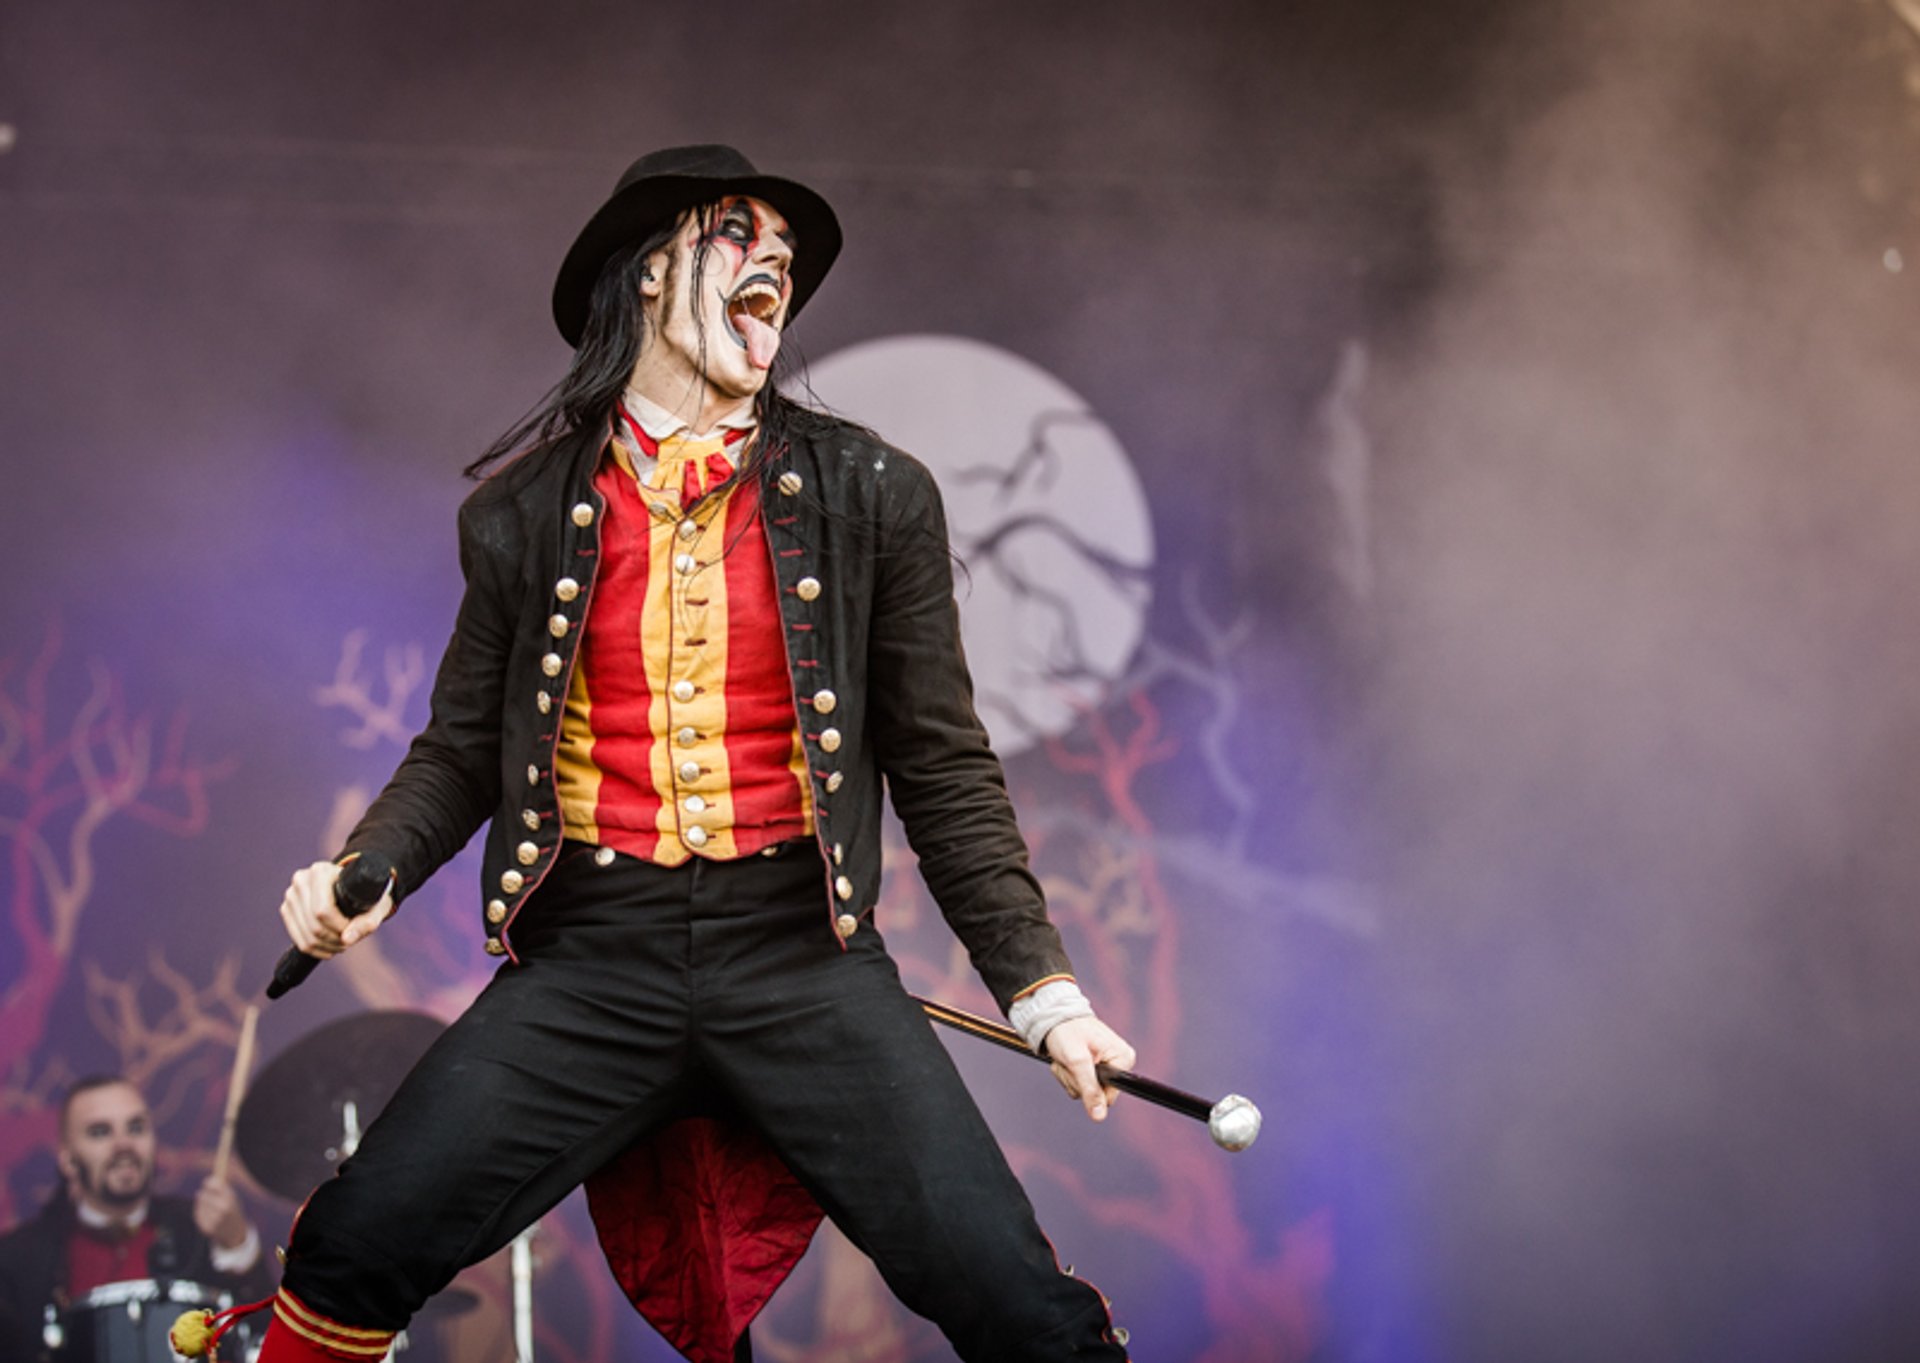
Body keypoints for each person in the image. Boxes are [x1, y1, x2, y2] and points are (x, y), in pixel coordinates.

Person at [256, 144, 1137, 1363]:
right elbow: (461, 751)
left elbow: (943, 768)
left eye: (787, 259)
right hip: (591, 963)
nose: (774, 265)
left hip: (799, 959)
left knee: (1014, 1298)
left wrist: (1045, 992)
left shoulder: (874, 493)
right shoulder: (519, 513)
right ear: (653, 271)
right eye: (739, 236)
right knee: (351, 1250)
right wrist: (366, 873)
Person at [0, 1075, 271, 1360]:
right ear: (67, 1159)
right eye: (100, 1132)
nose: (124, 1144)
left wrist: (238, 1247)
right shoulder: (18, 1261)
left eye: (136, 1127)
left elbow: (265, 1339)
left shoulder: (200, 1229)